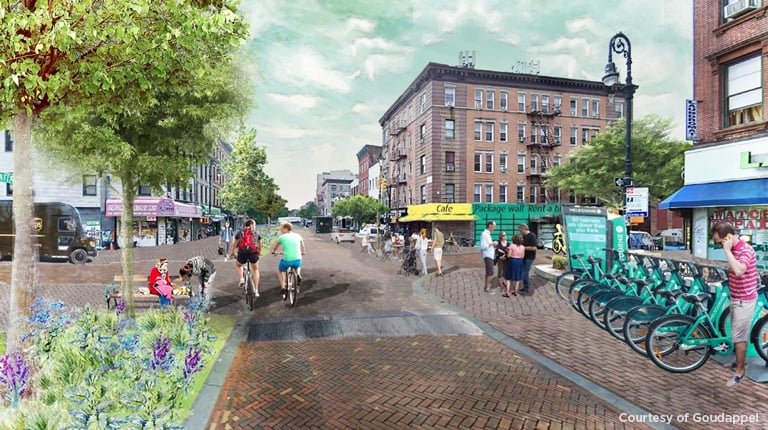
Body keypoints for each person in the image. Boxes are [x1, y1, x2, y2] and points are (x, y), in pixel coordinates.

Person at [712, 222, 758, 388]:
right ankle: (740, 361)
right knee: (736, 334)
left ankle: (740, 372)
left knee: (739, 338)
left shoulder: (745, 250)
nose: (719, 245)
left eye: (720, 242)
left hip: (744, 300)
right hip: (735, 297)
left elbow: (739, 270)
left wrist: (726, 250)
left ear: (729, 237)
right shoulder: (733, 249)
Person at [270, 222, 306, 294]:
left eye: (282, 228)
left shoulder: (282, 237)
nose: (281, 230)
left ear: (286, 228)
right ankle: (298, 274)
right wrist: (303, 252)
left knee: (280, 270)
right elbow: (303, 246)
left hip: (287, 260)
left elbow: (275, 247)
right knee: (298, 264)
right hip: (297, 259)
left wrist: (274, 252)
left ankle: (283, 287)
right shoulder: (298, 235)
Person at [230, 219, 261, 298]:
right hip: (253, 254)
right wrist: (259, 252)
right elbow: (259, 244)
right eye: (255, 225)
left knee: (238, 265)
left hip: (242, 254)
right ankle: (256, 290)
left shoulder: (240, 232)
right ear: (252, 225)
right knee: (255, 270)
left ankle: (241, 279)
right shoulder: (256, 233)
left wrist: (233, 252)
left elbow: (235, 243)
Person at [518, 223, 537, 294]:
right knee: (523, 272)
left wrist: (523, 248)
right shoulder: (523, 236)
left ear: (523, 229)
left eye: (520, 229)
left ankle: (526, 289)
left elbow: (534, 248)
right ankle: (524, 287)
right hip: (523, 257)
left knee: (525, 272)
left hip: (530, 257)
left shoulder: (532, 236)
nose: (520, 231)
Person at [480, 221, 498, 293]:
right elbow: (482, 246)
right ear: (490, 225)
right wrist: (492, 243)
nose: (494, 228)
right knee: (490, 272)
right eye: (494, 226)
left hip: (489, 255)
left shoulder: (487, 234)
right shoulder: (484, 234)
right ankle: (487, 287)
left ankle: (486, 286)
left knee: (488, 272)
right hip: (487, 255)